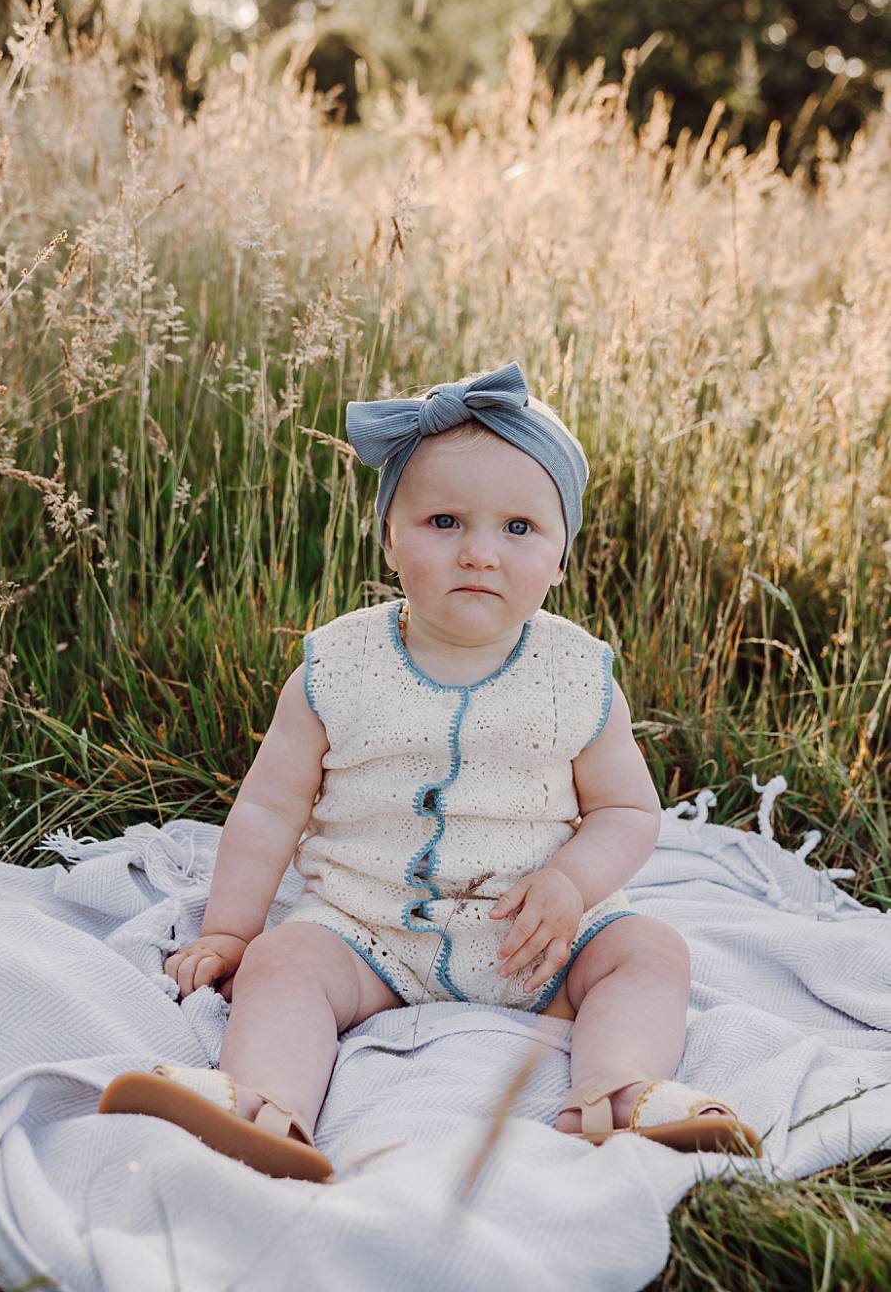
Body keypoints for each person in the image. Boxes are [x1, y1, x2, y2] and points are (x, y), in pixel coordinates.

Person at [98, 363, 760, 1180]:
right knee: (283, 963)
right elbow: (270, 811)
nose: (480, 553)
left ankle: (619, 1093)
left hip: (535, 945)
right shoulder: (334, 668)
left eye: (519, 528)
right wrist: (232, 930)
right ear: (390, 538)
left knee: (649, 950)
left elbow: (628, 812)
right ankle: (262, 1105)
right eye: (444, 521)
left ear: (561, 557)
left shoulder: (578, 675)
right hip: (369, 934)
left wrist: (572, 884)